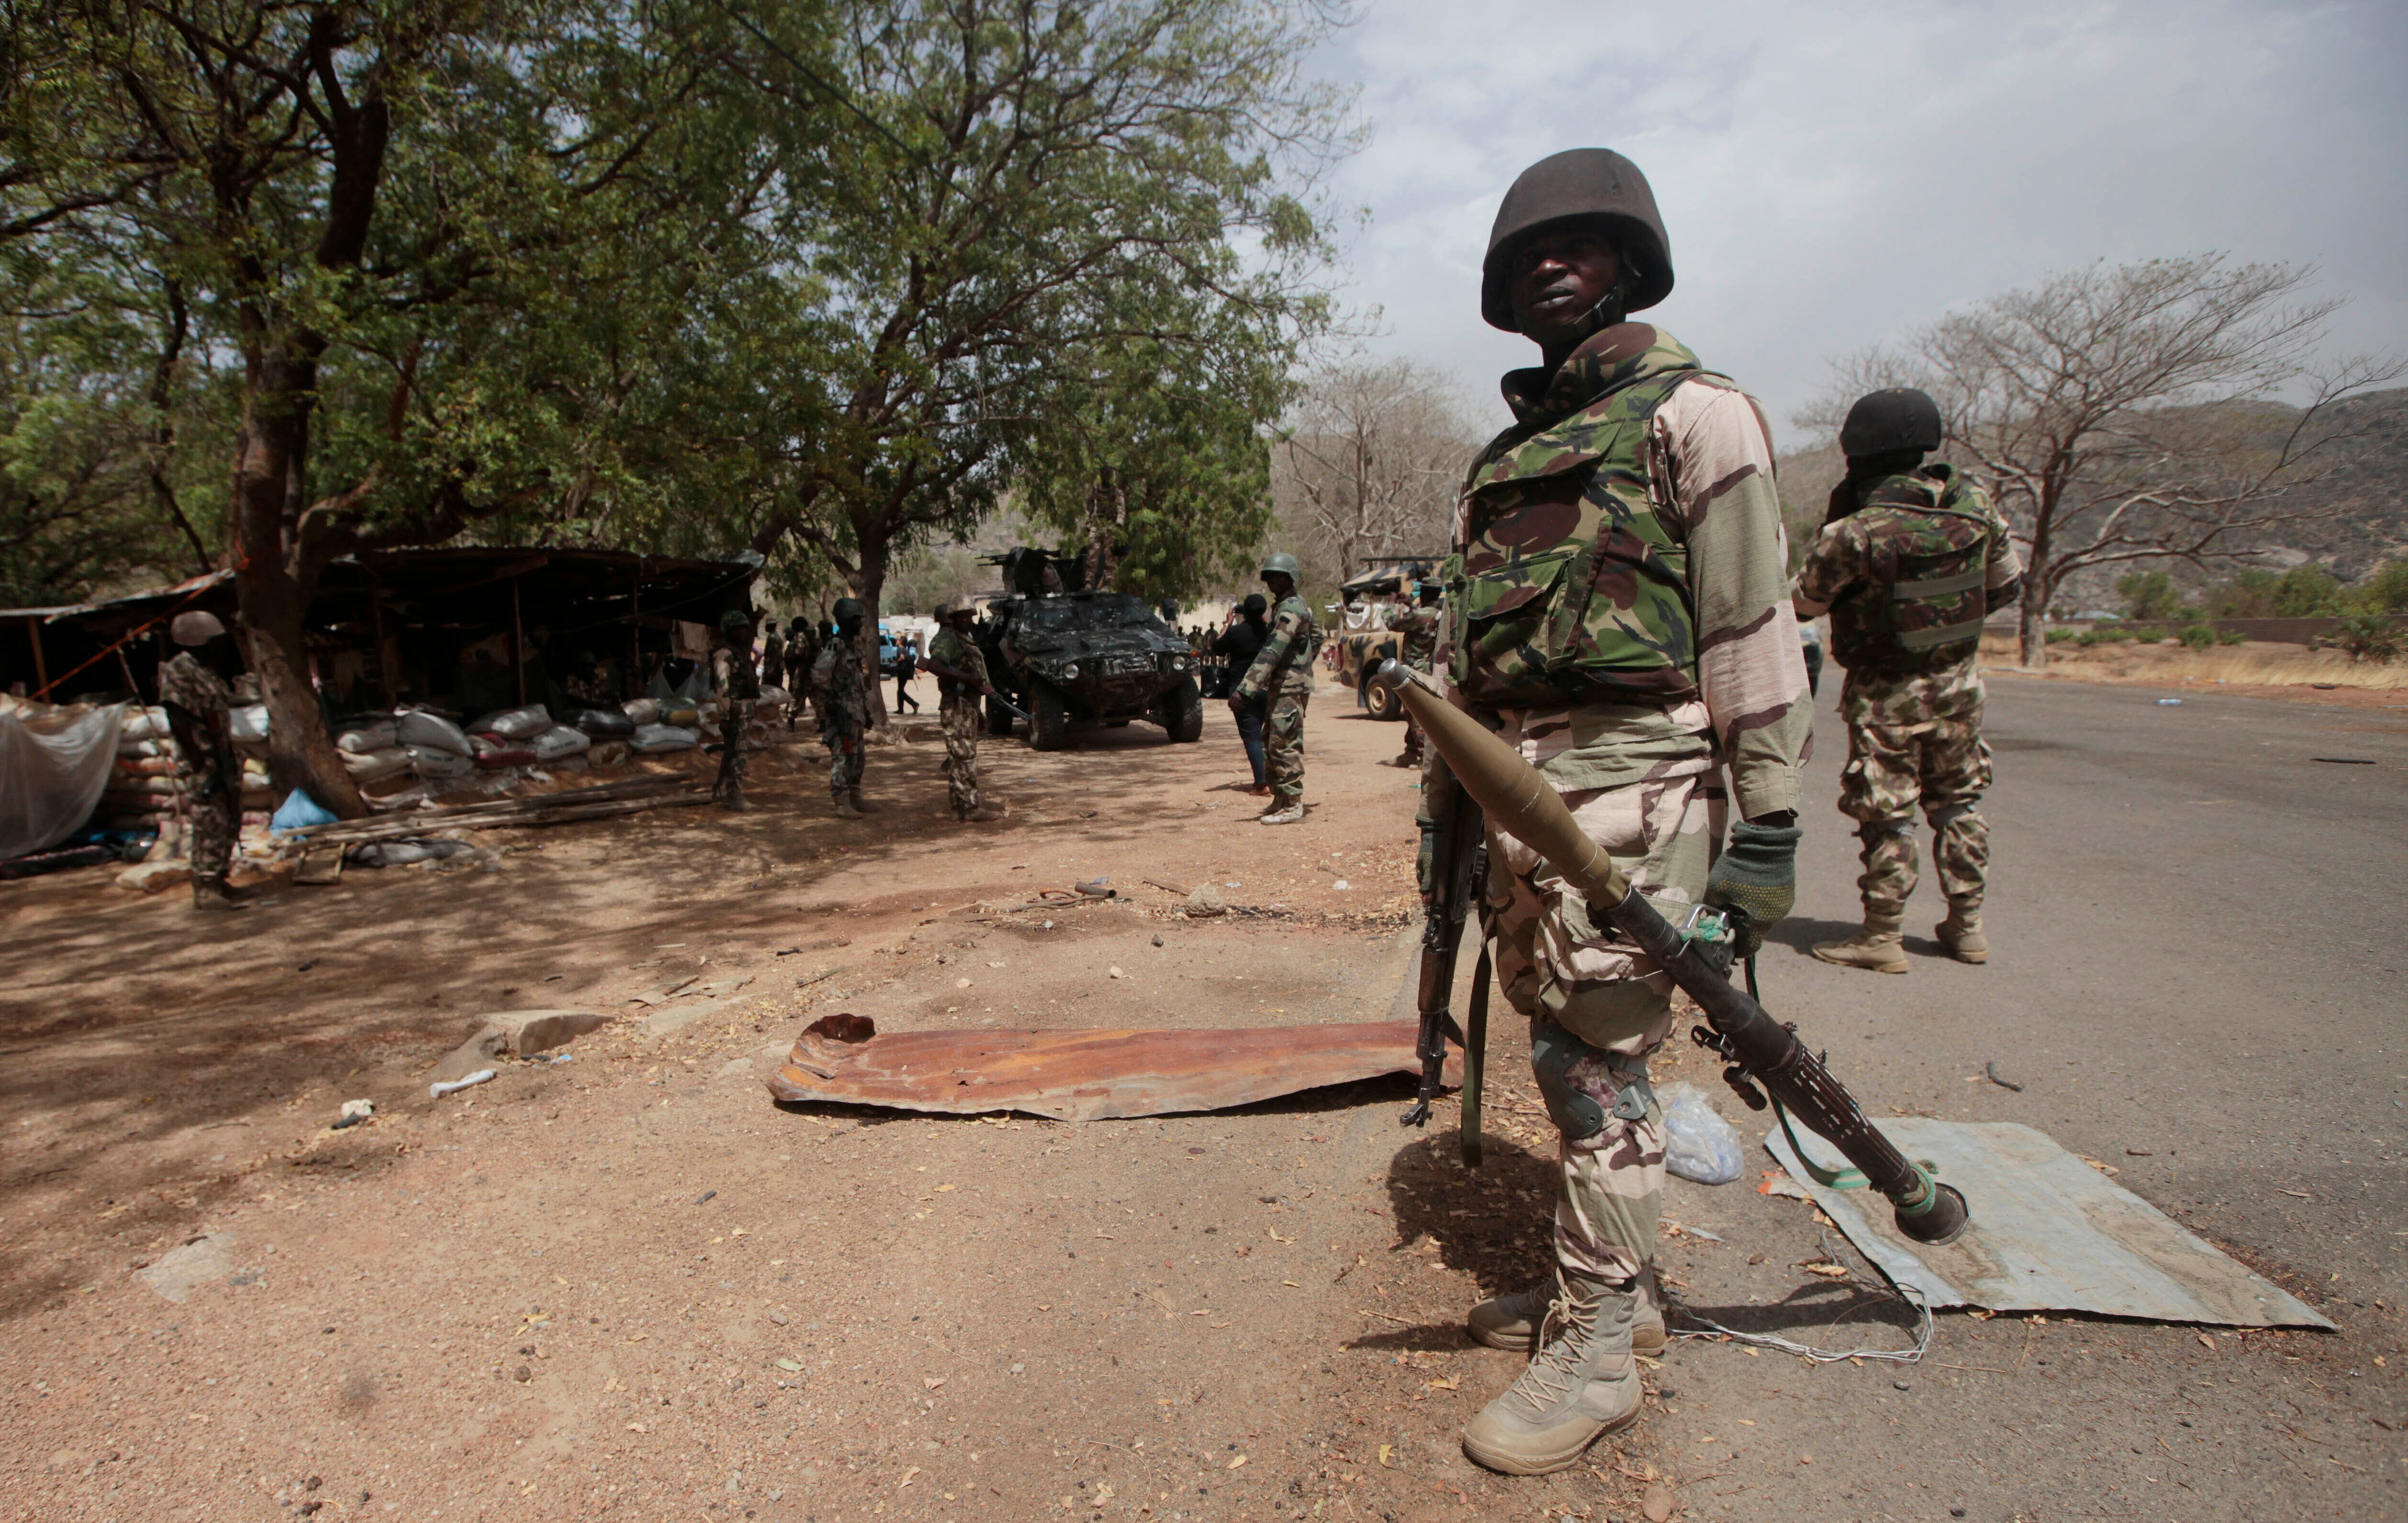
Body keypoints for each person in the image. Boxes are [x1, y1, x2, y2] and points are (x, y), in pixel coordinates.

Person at [1440, 148, 1811, 1476]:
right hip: (1522, 791)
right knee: (1563, 1050)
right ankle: (1604, 1292)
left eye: (1581, 241)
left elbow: (1750, 626)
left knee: (1599, 1071)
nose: (1549, 261)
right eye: (1526, 251)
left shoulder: (1696, 414)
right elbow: (1469, 663)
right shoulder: (1506, 455)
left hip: (1641, 776)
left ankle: (1599, 1348)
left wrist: (1764, 824)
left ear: (1630, 263)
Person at [1791, 386, 2022, 973]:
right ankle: (1967, 929)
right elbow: (2003, 587)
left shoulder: (1858, 532)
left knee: (1887, 812)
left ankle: (1882, 936)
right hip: (1960, 686)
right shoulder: (1978, 508)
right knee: (1958, 803)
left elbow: (1805, 604)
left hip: (1884, 694)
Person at [158, 611, 248, 912]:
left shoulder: (205, 669)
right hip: (203, 760)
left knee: (229, 819)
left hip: (221, 756)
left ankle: (220, 879)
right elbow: (177, 716)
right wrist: (197, 759)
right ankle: (206, 887)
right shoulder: (180, 669)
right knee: (210, 822)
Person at [1231, 553, 1319, 824]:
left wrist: (1245, 689)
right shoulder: (1290, 605)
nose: (1270, 582)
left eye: (1276, 577)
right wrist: (1303, 662)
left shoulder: (1290, 608)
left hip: (1289, 688)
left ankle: (1293, 804)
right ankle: (1281, 799)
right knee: (1272, 743)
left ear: (1288, 578)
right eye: (1268, 577)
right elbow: (1317, 637)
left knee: (1284, 744)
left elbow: (1273, 649)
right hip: (1284, 686)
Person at [924, 596, 1006, 822]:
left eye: (969, 616)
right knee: (965, 758)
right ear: (953, 618)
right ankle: (970, 808)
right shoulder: (948, 639)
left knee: (961, 758)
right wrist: (968, 678)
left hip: (966, 706)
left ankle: (960, 808)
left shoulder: (962, 639)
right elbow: (935, 664)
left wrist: (978, 711)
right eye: (961, 616)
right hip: (956, 706)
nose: (967, 620)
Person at [811, 598, 874, 819]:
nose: (860, 623)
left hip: (856, 712)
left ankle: (855, 796)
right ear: (846, 620)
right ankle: (842, 802)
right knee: (842, 757)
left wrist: (866, 711)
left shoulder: (853, 645)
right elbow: (819, 676)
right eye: (856, 619)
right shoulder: (835, 645)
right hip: (842, 713)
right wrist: (831, 701)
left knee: (858, 757)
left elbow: (858, 680)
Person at [1215, 595, 1270, 791]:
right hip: (1267, 688)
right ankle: (1271, 778)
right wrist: (1263, 619)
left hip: (1241, 690)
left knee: (1252, 737)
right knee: (1268, 735)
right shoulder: (1270, 633)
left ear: (1244, 613)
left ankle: (1262, 783)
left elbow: (1217, 648)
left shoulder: (1236, 633)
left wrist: (1228, 623)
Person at [1388, 578, 1444, 767]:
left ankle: (1422, 755)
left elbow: (1393, 623)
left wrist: (1392, 604)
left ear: (1425, 593)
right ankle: (1411, 752)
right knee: (1412, 713)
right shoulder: (1438, 614)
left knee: (1416, 713)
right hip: (1429, 668)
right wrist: (1410, 603)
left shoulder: (1422, 616)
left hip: (1415, 669)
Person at [708, 608, 761, 811]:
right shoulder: (725, 654)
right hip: (734, 713)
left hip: (744, 713)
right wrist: (727, 714)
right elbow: (723, 688)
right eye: (736, 629)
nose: (741, 632)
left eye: (743, 628)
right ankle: (734, 795)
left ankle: (733, 793)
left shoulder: (740, 654)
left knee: (740, 754)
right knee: (736, 755)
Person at [892, 636, 920, 714]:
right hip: (906, 672)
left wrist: (896, 661)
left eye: (898, 640)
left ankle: (914, 704)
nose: (896, 641)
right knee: (900, 691)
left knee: (900, 691)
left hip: (902, 671)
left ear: (901, 642)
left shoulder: (900, 649)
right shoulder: (906, 650)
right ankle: (901, 709)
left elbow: (902, 657)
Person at [760, 618, 785, 695]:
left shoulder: (773, 637)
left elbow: (775, 654)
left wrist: (772, 668)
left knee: (770, 689)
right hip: (777, 667)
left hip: (773, 668)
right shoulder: (775, 636)